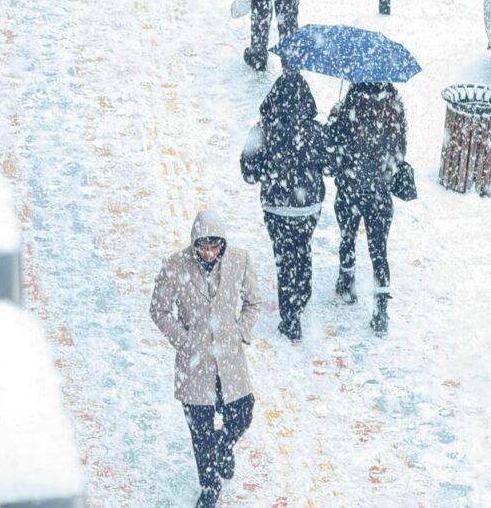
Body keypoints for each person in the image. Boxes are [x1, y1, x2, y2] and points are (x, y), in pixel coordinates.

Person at [149, 209, 262, 508]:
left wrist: (240, 332)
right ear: (194, 243)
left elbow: (253, 302)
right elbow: (158, 310)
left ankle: (224, 447)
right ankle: (209, 485)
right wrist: (183, 340)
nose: (209, 253)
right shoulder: (175, 266)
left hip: (229, 358)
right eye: (203, 246)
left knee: (242, 412)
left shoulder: (239, 260)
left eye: (214, 246)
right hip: (194, 362)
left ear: (222, 244)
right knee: (199, 429)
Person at [240, 73, 328, 341]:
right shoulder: (315, 131)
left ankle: (290, 317)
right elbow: (330, 166)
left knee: (284, 257)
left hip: (277, 207)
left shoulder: (262, 130)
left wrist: (269, 171)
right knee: (303, 249)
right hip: (308, 207)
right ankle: (301, 296)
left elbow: (248, 172)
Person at [325, 82, 408, 337]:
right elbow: (400, 153)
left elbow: (332, 150)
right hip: (379, 194)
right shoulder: (394, 112)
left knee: (347, 236)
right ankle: (381, 309)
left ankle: (346, 281)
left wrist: (334, 117)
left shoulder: (349, 109)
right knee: (379, 250)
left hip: (350, 189)